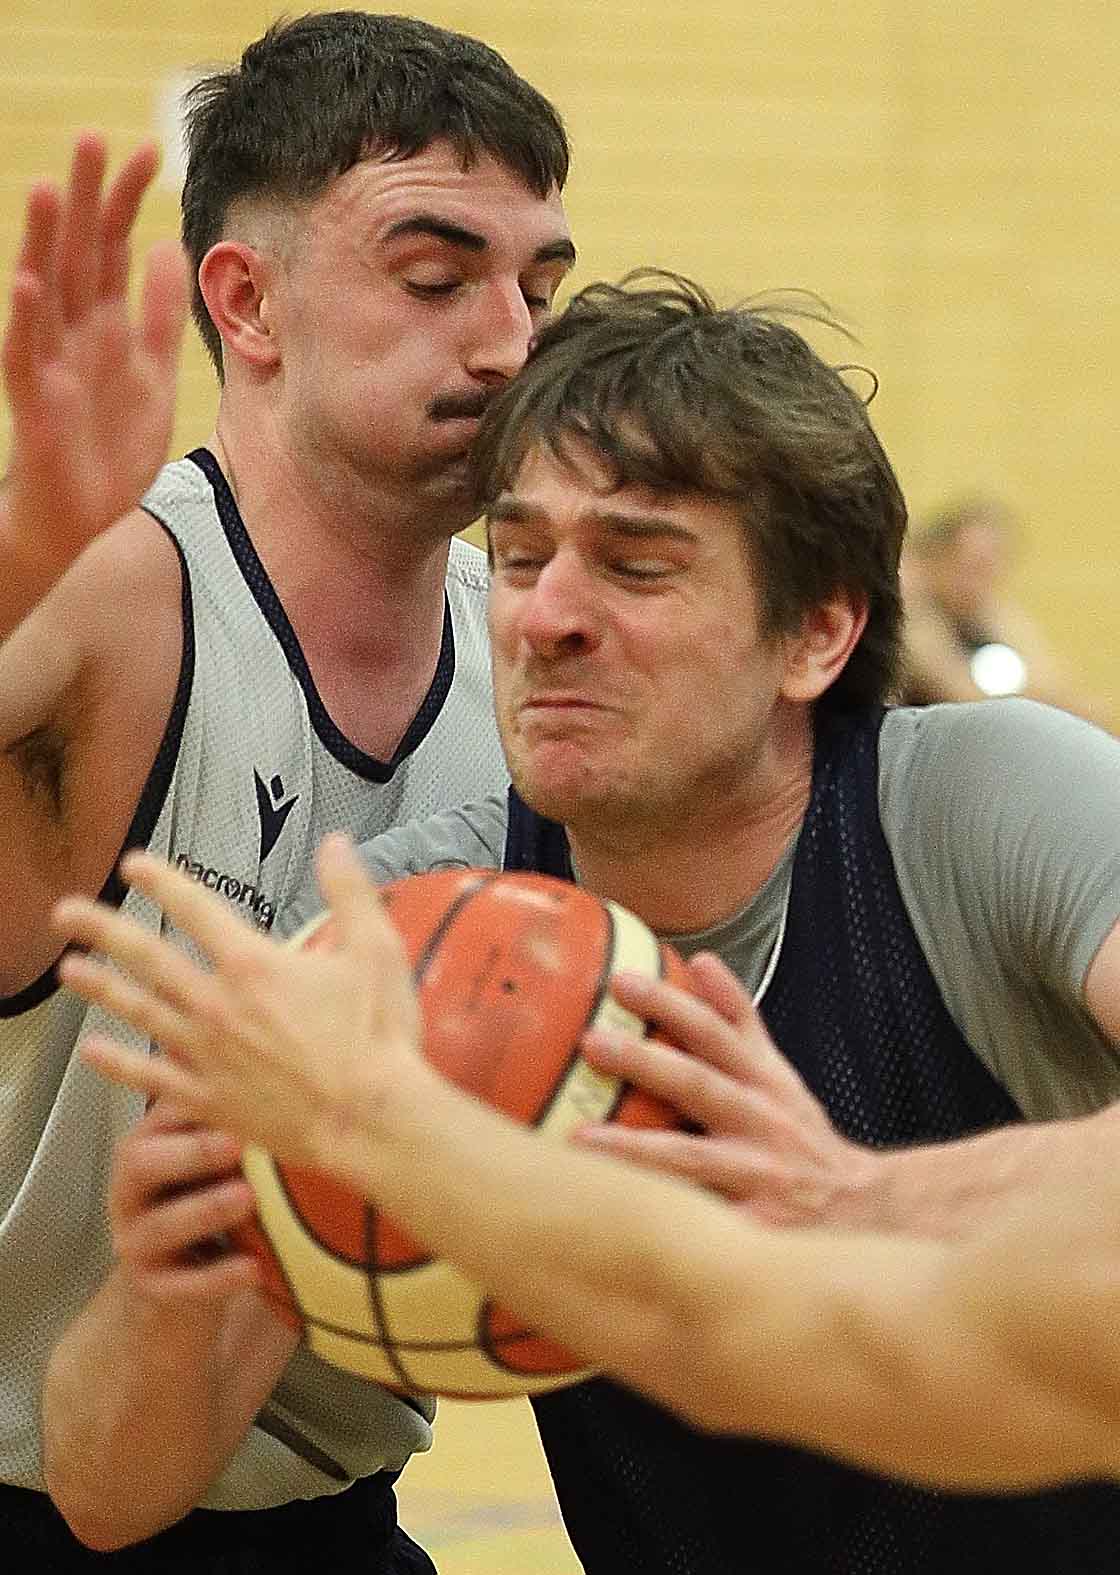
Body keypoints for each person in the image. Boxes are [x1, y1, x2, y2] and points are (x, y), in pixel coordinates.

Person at [52, 271, 1120, 1572]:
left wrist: (866, 1193)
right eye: (518, 556)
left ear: (816, 631)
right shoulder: (404, 933)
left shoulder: (984, 801)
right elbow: (106, 1493)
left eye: (636, 564)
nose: (545, 618)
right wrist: (167, 1297)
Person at [0, 10, 572, 1566]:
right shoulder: (112, 594)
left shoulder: (544, 658)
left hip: (331, 1517)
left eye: (539, 288)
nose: (511, 344)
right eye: (437, 278)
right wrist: (25, 548)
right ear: (247, 302)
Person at [899, 493, 1116, 729]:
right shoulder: (912, 615)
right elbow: (962, 694)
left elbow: (1054, 685)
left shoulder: (989, 611)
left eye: (991, 567)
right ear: (934, 558)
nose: (980, 580)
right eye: (972, 566)